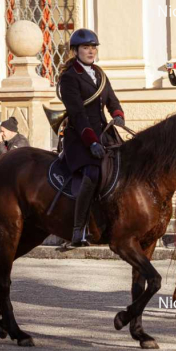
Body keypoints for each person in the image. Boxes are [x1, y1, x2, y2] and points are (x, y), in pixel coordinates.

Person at [59, 28, 124, 246]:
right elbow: (77, 114)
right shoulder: (69, 77)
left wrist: (117, 114)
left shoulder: (100, 74)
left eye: (93, 47)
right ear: (75, 50)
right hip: (80, 136)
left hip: (105, 132)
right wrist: (92, 142)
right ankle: (78, 229)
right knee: (93, 172)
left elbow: (112, 99)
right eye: (86, 47)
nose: (91, 51)